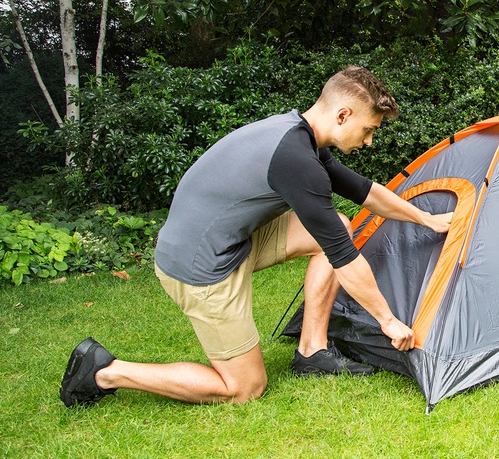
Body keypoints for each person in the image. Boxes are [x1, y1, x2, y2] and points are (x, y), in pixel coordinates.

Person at [59, 66, 452, 407]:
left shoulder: (299, 137)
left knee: (343, 224)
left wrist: (426, 220)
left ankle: (312, 351)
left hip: (232, 239)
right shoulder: (296, 160)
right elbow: (343, 258)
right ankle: (105, 371)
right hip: (201, 268)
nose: (368, 141)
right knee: (245, 388)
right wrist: (387, 321)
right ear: (344, 114)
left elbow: (364, 191)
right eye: (368, 130)